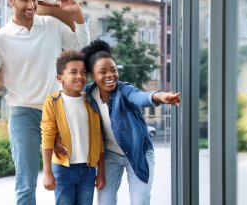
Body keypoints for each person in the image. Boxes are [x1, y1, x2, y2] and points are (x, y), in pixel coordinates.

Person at [0, 0, 90, 205]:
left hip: (57, 112)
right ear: (11, 1)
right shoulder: (1, 39)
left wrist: (78, 16)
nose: (31, 5)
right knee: (26, 184)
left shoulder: (51, 25)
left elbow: (82, 50)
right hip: (23, 114)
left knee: (67, 176)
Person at [54, 40, 181, 205]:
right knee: (105, 202)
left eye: (113, 70)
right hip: (110, 156)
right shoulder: (87, 95)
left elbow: (139, 96)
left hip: (138, 153)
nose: (110, 75)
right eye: (103, 71)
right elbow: (65, 106)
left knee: (140, 201)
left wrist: (159, 96)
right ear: (93, 75)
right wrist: (56, 136)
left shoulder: (124, 90)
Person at [41, 50, 105, 205]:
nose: (79, 76)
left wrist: (100, 172)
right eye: (73, 72)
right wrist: (47, 172)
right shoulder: (52, 101)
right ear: (60, 78)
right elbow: (48, 136)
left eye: (83, 72)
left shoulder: (90, 101)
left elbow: (99, 138)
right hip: (64, 170)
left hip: (89, 170)